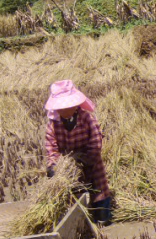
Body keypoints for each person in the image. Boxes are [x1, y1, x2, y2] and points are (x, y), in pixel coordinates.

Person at [43, 80, 111, 225]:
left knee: (98, 189)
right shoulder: (53, 124)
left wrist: (88, 158)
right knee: (73, 195)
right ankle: (81, 223)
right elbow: (51, 147)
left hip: (90, 162)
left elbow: (96, 139)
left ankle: (103, 218)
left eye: (67, 106)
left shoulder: (86, 118)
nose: (64, 110)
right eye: (61, 107)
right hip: (69, 168)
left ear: (75, 105)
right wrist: (53, 165)